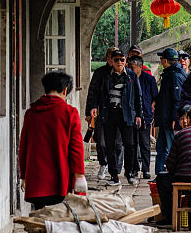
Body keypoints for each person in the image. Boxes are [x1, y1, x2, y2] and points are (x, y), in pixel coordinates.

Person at [19, 71, 85, 209]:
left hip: (36, 180)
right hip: (60, 179)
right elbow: (76, 147)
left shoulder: (31, 113)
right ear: (65, 90)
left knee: (40, 220)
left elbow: (23, 146)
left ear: (45, 89)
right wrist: (79, 175)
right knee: (58, 222)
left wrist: (24, 175)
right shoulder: (69, 113)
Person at [95, 49, 141, 184]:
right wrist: (93, 108)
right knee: (110, 145)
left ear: (126, 61)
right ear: (112, 62)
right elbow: (98, 94)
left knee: (130, 144)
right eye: (116, 60)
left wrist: (138, 114)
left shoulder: (131, 76)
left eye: (122, 60)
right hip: (110, 113)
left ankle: (129, 172)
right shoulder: (106, 76)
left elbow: (138, 97)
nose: (119, 62)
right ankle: (114, 175)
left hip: (126, 113)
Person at [85, 46, 118, 180]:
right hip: (101, 111)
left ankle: (115, 168)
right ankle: (103, 163)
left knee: (117, 143)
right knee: (102, 142)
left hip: (116, 112)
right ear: (107, 58)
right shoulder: (100, 72)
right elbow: (92, 92)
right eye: (111, 57)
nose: (114, 60)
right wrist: (88, 111)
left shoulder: (122, 73)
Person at [153, 47, 187, 174]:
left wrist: (175, 118)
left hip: (169, 119)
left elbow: (177, 100)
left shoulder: (175, 76)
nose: (161, 61)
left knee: (168, 148)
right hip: (164, 118)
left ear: (166, 60)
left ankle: (167, 175)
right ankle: (159, 174)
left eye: (162, 59)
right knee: (161, 147)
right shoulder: (170, 74)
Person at [129, 54, 158, 178]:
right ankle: (134, 169)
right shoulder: (128, 78)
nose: (131, 69)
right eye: (130, 66)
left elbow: (155, 97)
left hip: (145, 115)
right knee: (132, 143)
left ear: (140, 67)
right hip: (131, 115)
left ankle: (146, 169)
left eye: (133, 66)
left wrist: (151, 107)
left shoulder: (149, 79)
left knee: (145, 144)